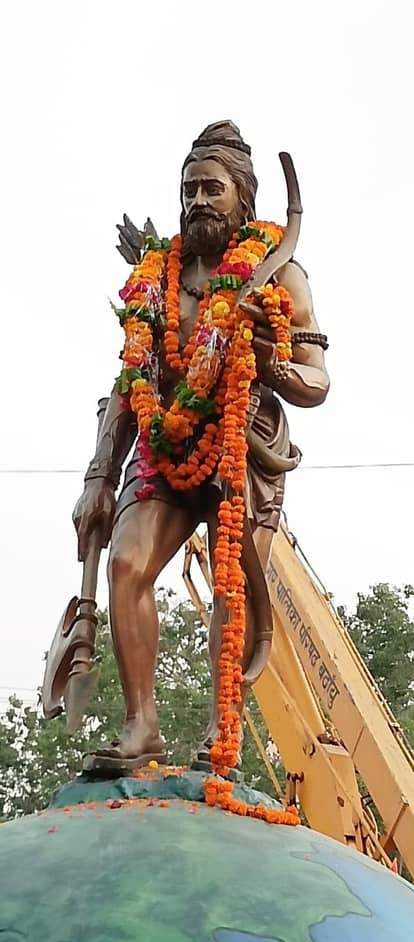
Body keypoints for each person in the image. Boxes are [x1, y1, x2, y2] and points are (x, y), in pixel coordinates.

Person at [73, 120, 329, 766]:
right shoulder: (157, 279)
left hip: (242, 440)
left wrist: (270, 362)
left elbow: (317, 381)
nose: (197, 201)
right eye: (189, 190)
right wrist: (98, 476)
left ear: (243, 199)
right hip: (164, 439)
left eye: (212, 189)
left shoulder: (280, 274)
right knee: (126, 564)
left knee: (229, 583)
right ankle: (141, 726)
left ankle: (223, 729)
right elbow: (130, 380)